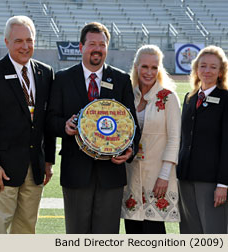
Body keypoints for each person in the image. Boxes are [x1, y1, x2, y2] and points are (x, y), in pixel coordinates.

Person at [47, 22, 141, 234]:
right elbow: (49, 120)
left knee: (106, 236)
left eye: (102, 44)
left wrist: (129, 149)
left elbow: (132, 124)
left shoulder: (121, 80)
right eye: (92, 44)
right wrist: (64, 126)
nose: (97, 48)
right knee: (77, 234)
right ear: (81, 47)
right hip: (76, 172)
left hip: (111, 173)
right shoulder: (62, 79)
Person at [0, 15, 56, 234]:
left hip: (34, 169)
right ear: (6, 42)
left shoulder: (45, 73)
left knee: (27, 229)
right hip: (2, 170)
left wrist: (48, 161)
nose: (25, 46)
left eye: (29, 40)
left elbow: (46, 121)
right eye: (18, 41)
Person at [120, 45, 181, 233]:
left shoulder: (168, 98)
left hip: (157, 177)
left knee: (154, 232)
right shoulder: (129, 96)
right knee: (133, 230)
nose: (149, 72)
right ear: (136, 67)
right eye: (144, 66)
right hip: (131, 176)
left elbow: (174, 139)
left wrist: (164, 176)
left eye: (154, 67)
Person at [177, 45, 228, 234]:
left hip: (211, 181)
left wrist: (223, 184)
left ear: (221, 72)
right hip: (185, 177)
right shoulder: (189, 98)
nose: (207, 71)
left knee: (214, 233)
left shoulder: (225, 99)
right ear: (196, 69)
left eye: (213, 67)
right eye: (203, 66)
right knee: (189, 233)